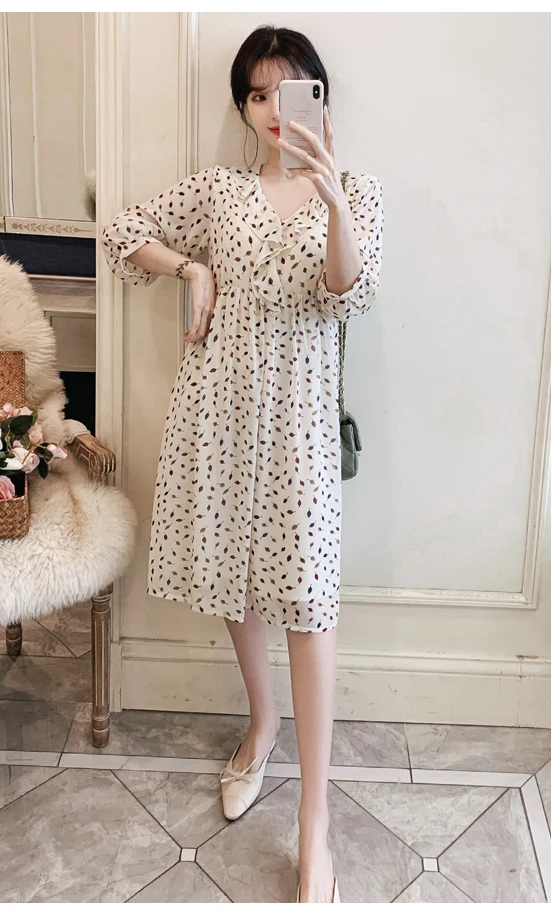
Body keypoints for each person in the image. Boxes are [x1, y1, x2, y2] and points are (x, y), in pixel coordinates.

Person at [101, 24, 383, 904]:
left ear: (319, 99)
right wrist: (192, 269)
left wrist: (332, 198)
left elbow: (350, 292)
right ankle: (261, 727)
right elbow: (121, 231)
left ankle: (313, 825)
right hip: (217, 412)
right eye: (257, 94)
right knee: (237, 581)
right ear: (242, 106)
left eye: (289, 91)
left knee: (308, 601)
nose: (271, 109)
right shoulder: (221, 190)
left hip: (298, 424)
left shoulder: (357, 191)